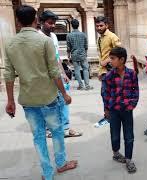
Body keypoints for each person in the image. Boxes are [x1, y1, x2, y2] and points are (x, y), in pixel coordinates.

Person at [4, 5, 77, 180]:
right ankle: (61, 163)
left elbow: (8, 74)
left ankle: (47, 173)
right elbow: (54, 72)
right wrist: (65, 94)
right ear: (36, 20)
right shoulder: (43, 41)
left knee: (38, 137)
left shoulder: (10, 43)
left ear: (18, 21)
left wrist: (10, 101)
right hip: (48, 97)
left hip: (28, 99)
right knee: (57, 130)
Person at [39, 10, 82, 138]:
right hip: (45, 76)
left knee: (63, 100)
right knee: (48, 103)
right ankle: (49, 129)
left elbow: (56, 56)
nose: (52, 26)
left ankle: (65, 127)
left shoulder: (53, 36)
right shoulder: (38, 37)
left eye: (54, 23)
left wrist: (63, 73)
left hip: (56, 74)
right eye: (49, 23)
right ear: (41, 22)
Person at [101, 47, 139, 173]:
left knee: (129, 136)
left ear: (122, 60)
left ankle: (129, 159)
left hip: (127, 110)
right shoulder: (109, 76)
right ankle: (116, 153)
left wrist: (132, 104)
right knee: (115, 135)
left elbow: (135, 90)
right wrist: (106, 109)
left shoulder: (131, 74)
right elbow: (105, 93)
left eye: (112, 58)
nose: (110, 61)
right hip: (114, 111)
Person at [95, 16, 122, 127]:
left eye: (101, 25)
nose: (99, 27)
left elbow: (120, 51)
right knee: (106, 94)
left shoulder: (112, 36)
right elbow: (101, 55)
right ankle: (110, 116)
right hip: (104, 71)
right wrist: (100, 71)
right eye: (97, 26)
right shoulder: (100, 38)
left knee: (107, 94)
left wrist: (107, 60)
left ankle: (109, 117)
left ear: (107, 25)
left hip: (111, 70)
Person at [66, 19, 93, 90]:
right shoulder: (83, 34)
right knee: (85, 69)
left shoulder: (69, 35)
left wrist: (68, 56)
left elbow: (68, 47)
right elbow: (86, 46)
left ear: (72, 26)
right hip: (82, 54)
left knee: (77, 69)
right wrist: (85, 54)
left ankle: (81, 86)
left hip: (74, 54)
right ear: (78, 25)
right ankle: (87, 85)